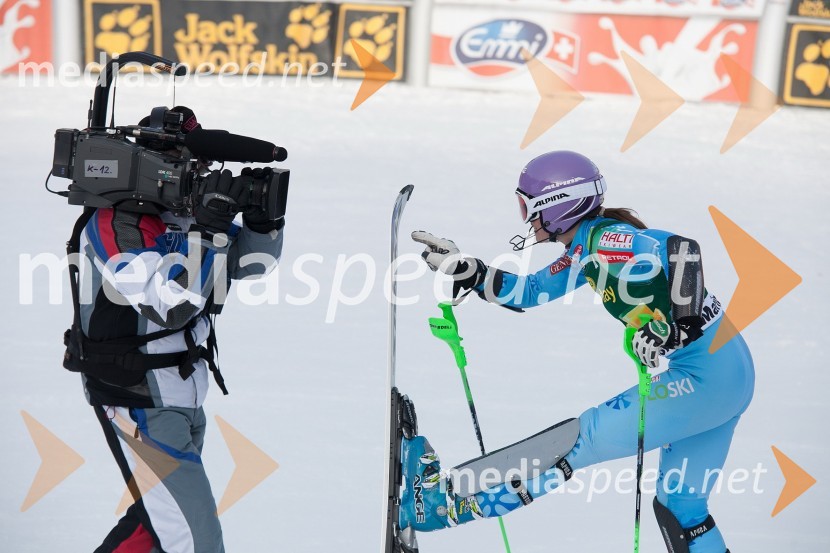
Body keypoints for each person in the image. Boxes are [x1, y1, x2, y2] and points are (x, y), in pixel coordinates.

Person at [403, 151, 753, 553]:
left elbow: (683, 251)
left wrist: (679, 326)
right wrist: (475, 273)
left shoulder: (608, 241)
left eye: (529, 208)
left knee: (575, 442)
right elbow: (531, 292)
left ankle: (442, 506)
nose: (527, 220)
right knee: (682, 506)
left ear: (558, 207)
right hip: (729, 374)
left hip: (705, 379)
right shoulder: (584, 250)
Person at [62, 106, 285, 553]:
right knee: (194, 539)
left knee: (152, 526)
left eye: (201, 166)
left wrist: (263, 220)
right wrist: (212, 229)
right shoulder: (112, 226)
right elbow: (171, 305)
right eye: (190, 166)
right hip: (139, 400)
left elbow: (250, 263)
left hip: (177, 395)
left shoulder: (177, 219)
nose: (198, 175)